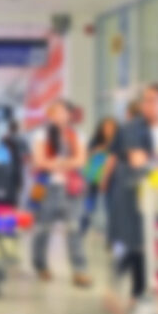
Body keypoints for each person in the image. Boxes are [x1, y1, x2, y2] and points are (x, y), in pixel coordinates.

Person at [106, 83, 158, 313]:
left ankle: (135, 291)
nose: (148, 105)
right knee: (137, 243)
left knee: (154, 244)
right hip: (135, 193)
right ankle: (132, 291)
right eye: (145, 100)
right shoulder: (131, 129)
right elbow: (136, 161)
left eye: (154, 99)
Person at [31, 100, 91, 287]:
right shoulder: (41, 134)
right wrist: (66, 163)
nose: (58, 115)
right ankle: (41, 266)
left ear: (69, 114)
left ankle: (79, 270)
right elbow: (39, 161)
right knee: (42, 228)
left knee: (74, 229)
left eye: (62, 111)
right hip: (46, 187)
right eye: (54, 112)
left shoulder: (78, 135)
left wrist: (57, 163)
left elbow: (81, 160)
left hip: (72, 188)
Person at [80, 117, 118, 234]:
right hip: (94, 176)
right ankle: (83, 228)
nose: (108, 130)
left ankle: (110, 232)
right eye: (105, 127)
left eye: (111, 127)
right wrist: (96, 151)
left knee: (110, 207)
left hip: (112, 179)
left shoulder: (118, 142)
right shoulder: (95, 141)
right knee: (89, 205)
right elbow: (86, 156)